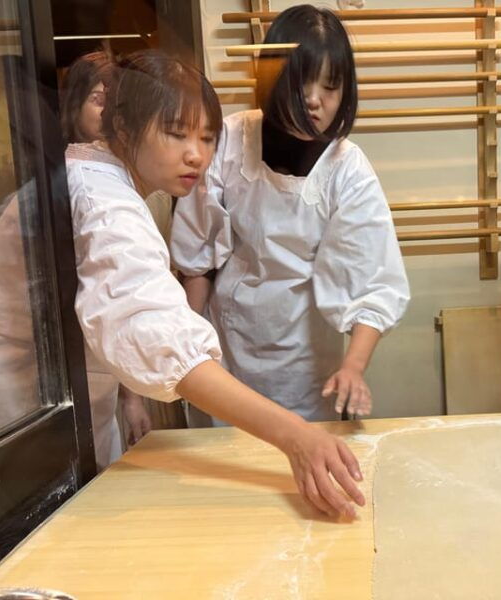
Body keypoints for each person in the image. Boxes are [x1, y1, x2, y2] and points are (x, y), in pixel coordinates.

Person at [67, 49, 364, 518]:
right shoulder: (107, 206)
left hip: (77, 399)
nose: (197, 155)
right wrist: (296, 436)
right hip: (28, 408)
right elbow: (161, 337)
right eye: (176, 133)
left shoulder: (104, 177)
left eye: (207, 138)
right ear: (123, 128)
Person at [171, 5, 409, 422]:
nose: (315, 101)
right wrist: (188, 345)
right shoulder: (230, 137)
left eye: (330, 87)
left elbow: (375, 284)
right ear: (274, 78)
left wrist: (353, 368)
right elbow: (197, 258)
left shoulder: (347, 169)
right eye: (302, 82)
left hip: (307, 359)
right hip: (228, 343)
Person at [60, 50, 153, 468]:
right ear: (73, 103)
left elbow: (121, 302)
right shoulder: (80, 180)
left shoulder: (115, 176)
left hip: (101, 376)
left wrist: (131, 398)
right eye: (99, 99)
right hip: (42, 382)